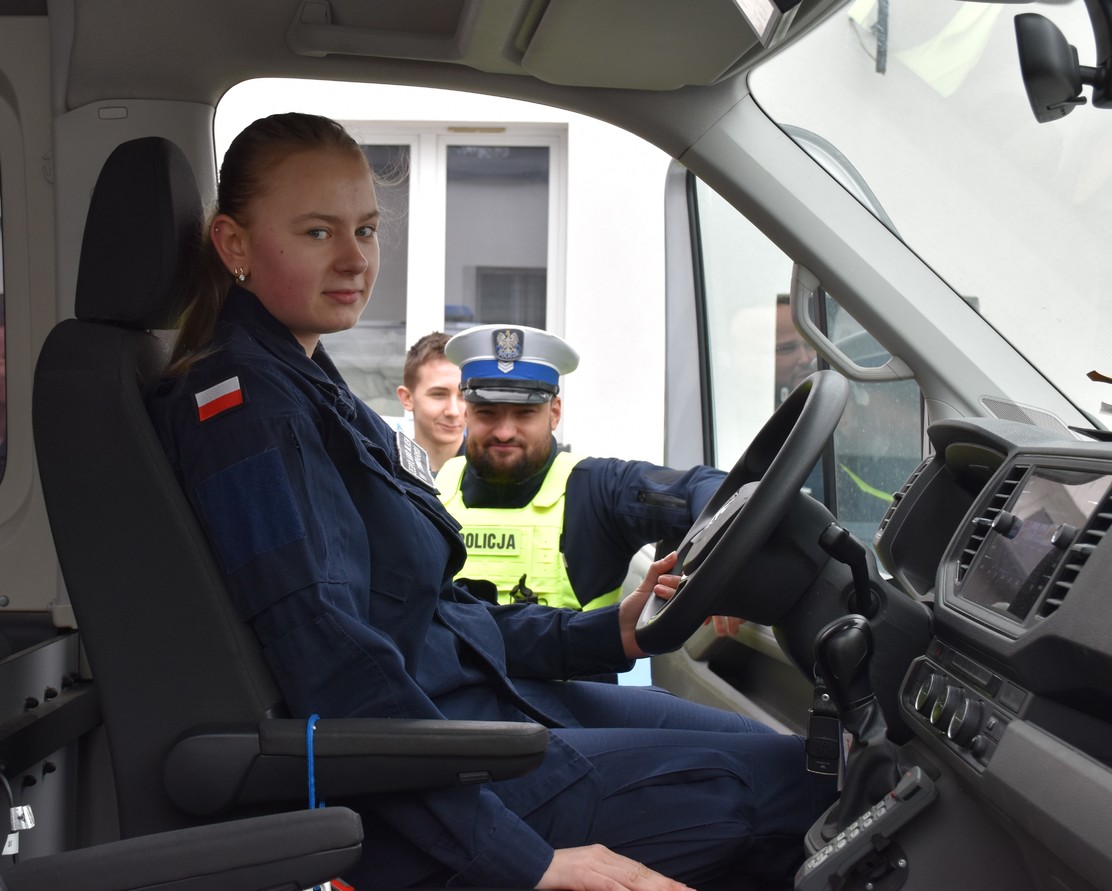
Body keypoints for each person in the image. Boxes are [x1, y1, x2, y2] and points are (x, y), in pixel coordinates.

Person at [147, 112, 835, 891]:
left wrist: (608, 631)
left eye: (365, 230)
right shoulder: (246, 411)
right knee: (806, 784)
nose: (355, 259)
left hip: (475, 710)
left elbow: (435, 616)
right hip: (437, 773)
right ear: (234, 244)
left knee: (796, 756)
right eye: (317, 232)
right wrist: (525, 863)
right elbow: (330, 660)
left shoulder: (303, 381)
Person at [437, 324, 726, 612]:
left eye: (524, 413)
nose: (504, 432)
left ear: (554, 413)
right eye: (487, 413)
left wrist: (719, 574)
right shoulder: (431, 492)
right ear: (467, 413)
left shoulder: (600, 490)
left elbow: (708, 487)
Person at [396, 331, 465, 472]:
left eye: (464, 396)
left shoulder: (492, 472)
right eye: (439, 395)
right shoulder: (385, 471)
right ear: (407, 398)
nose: (453, 411)